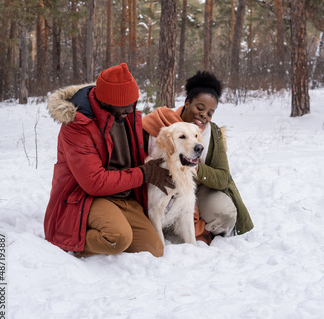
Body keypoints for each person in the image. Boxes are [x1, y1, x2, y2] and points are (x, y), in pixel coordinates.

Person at [44, 63, 174, 258]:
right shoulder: (78, 126)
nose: (129, 111)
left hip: (122, 195)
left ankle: (111, 224)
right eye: (123, 107)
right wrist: (144, 173)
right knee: (118, 238)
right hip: (85, 198)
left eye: (132, 104)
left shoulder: (126, 113)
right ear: (104, 102)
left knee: (153, 249)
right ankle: (70, 239)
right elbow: (94, 183)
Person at [142, 70, 253, 244]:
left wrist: (194, 166)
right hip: (160, 181)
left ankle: (195, 231)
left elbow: (223, 178)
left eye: (210, 113)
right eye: (200, 108)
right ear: (187, 103)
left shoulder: (213, 134)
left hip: (199, 187)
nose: (204, 115)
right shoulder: (159, 123)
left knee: (225, 212)